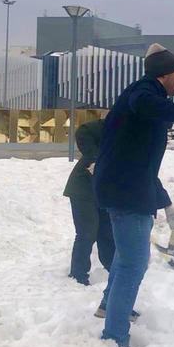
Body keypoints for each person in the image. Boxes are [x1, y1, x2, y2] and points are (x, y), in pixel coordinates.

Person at [93, 43, 174, 347]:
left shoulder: (146, 99)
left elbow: (143, 163)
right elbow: (145, 104)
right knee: (134, 262)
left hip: (128, 185)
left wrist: (166, 204)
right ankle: (114, 337)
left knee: (125, 257)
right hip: (126, 190)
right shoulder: (142, 93)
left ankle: (109, 306)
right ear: (166, 74)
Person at [63, 118, 113, 285]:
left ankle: (115, 270)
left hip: (104, 191)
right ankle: (78, 276)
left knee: (106, 233)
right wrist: (95, 159)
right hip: (83, 187)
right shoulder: (117, 124)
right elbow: (83, 131)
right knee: (87, 232)